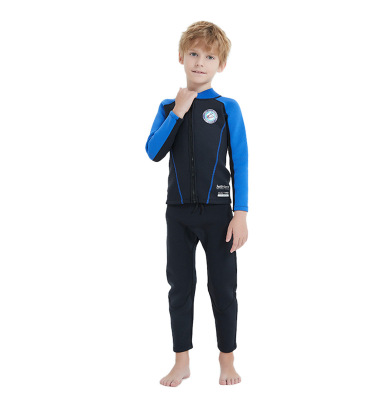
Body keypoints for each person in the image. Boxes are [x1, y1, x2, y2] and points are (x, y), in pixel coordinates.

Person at [145, 21, 249, 386]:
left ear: (221, 64)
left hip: (220, 214)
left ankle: (227, 359)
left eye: (209, 57)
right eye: (193, 54)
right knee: (180, 287)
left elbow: (241, 162)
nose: (200, 62)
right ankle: (181, 361)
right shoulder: (168, 107)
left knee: (223, 288)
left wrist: (240, 213)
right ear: (181, 57)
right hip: (178, 213)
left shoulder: (227, 108)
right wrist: (179, 110)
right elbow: (153, 151)